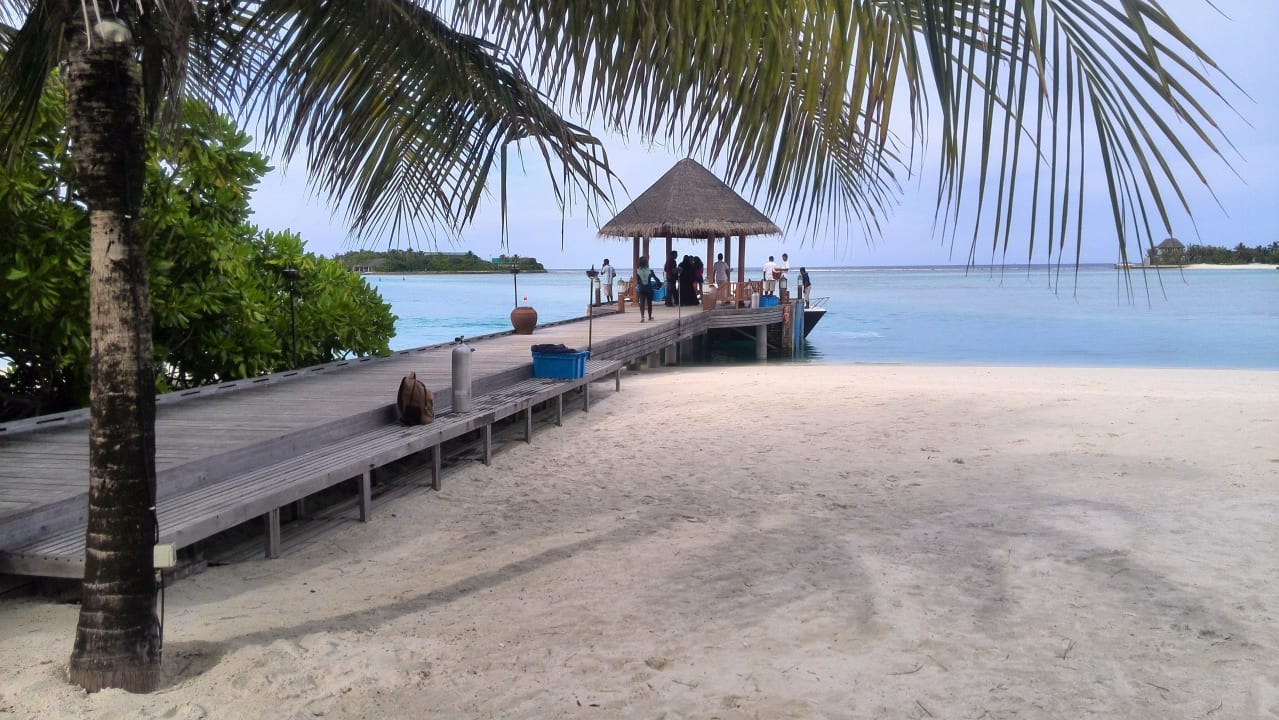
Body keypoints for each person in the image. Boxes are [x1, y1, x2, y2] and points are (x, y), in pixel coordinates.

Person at [634, 255, 657, 322]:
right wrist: (660, 284)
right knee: (649, 303)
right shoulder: (650, 271)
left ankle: (642, 317)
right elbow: (656, 279)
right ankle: (649, 316)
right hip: (649, 287)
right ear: (647, 262)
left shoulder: (637, 270)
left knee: (642, 302)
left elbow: (638, 280)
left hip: (641, 287)